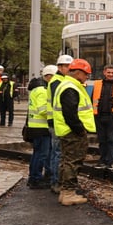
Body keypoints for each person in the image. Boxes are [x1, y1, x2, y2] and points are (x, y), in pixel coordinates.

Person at [52, 58, 96, 206]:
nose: (87, 77)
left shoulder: (67, 85)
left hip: (65, 130)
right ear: (78, 73)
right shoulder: (71, 87)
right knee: (72, 162)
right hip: (72, 131)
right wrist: (80, 130)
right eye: (86, 74)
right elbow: (70, 113)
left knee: (66, 161)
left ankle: (64, 192)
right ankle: (69, 193)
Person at [26, 66, 57, 189]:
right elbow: (43, 109)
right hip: (41, 127)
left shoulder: (36, 89)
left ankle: (33, 177)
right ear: (48, 76)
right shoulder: (42, 90)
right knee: (42, 154)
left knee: (37, 153)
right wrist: (56, 113)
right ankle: (36, 179)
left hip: (36, 126)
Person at [48, 55, 73, 194]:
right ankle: (56, 181)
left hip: (58, 122)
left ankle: (57, 180)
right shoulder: (57, 81)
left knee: (58, 153)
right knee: (58, 153)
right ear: (59, 67)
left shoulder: (61, 80)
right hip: (58, 123)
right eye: (67, 67)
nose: (69, 69)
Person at [91, 64, 113, 169]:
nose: (110, 74)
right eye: (109, 72)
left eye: (112, 73)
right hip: (99, 116)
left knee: (111, 140)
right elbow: (92, 99)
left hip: (112, 117)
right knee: (102, 140)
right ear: (104, 73)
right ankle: (102, 160)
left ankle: (110, 162)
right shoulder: (97, 84)